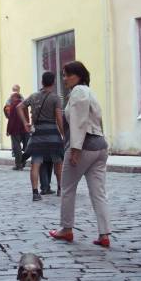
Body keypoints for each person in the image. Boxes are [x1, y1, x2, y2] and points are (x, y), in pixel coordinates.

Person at [49, 61, 110, 247]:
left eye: (68, 75)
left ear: (79, 75)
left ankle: (66, 229)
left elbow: (78, 122)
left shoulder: (78, 92)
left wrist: (75, 149)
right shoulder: (90, 92)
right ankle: (104, 233)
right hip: (100, 146)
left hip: (83, 147)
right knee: (98, 192)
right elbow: (97, 121)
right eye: (64, 75)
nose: (65, 79)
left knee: (67, 189)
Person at [17, 71, 64, 201]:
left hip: (37, 134)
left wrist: (25, 122)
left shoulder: (34, 96)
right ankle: (60, 189)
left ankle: (35, 192)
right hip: (52, 134)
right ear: (53, 82)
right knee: (58, 162)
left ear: (42, 82)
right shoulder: (56, 98)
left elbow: (19, 107)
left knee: (36, 164)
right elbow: (59, 119)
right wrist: (64, 135)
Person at [6, 92, 28, 170]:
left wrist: (8, 130)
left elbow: (11, 119)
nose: (11, 99)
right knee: (25, 147)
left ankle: (19, 164)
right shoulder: (24, 105)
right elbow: (27, 117)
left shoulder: (13, 106)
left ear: (15, 97)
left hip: (15, 130)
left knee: (17, 147)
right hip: (24, 129)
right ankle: (23, 162)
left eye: (12, 97)